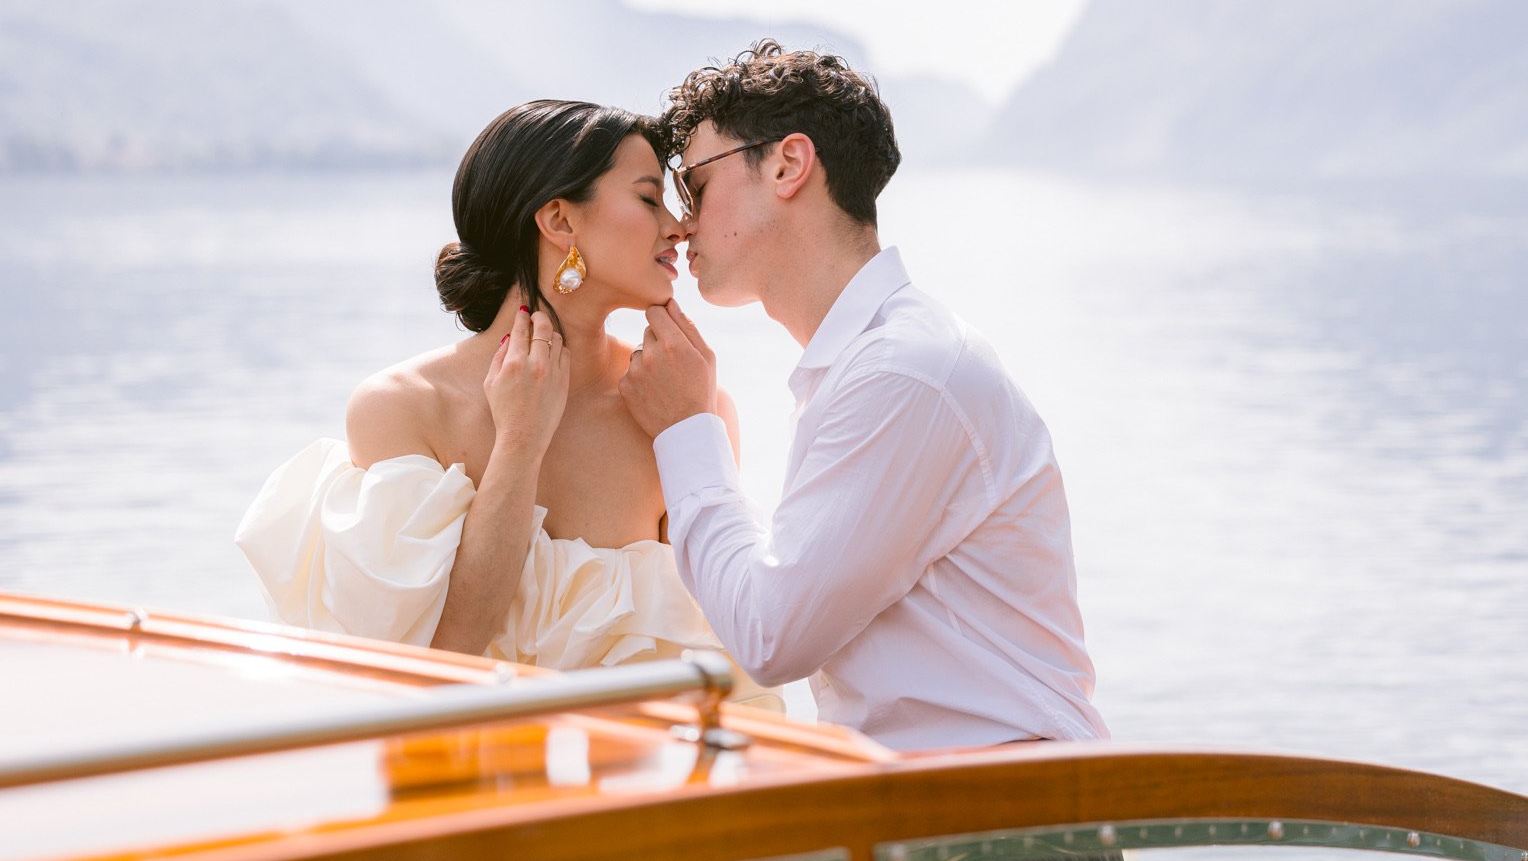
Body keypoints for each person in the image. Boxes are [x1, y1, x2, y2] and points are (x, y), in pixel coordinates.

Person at [619, 40, 1107, 750]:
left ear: (788, 164)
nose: (682, 221)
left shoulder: (903, 375)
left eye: (694, 184)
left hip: (1005, 826)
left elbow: (772, 634)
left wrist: (687, 429)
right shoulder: (876, 364)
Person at [236, 101, 771, 695]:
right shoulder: (407, 408)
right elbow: (438, 660)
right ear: (559, 222)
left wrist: (692, 429)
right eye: (648, 199)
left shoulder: (690, 412)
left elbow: (734, 647)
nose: (678, 227)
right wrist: (519, 442)